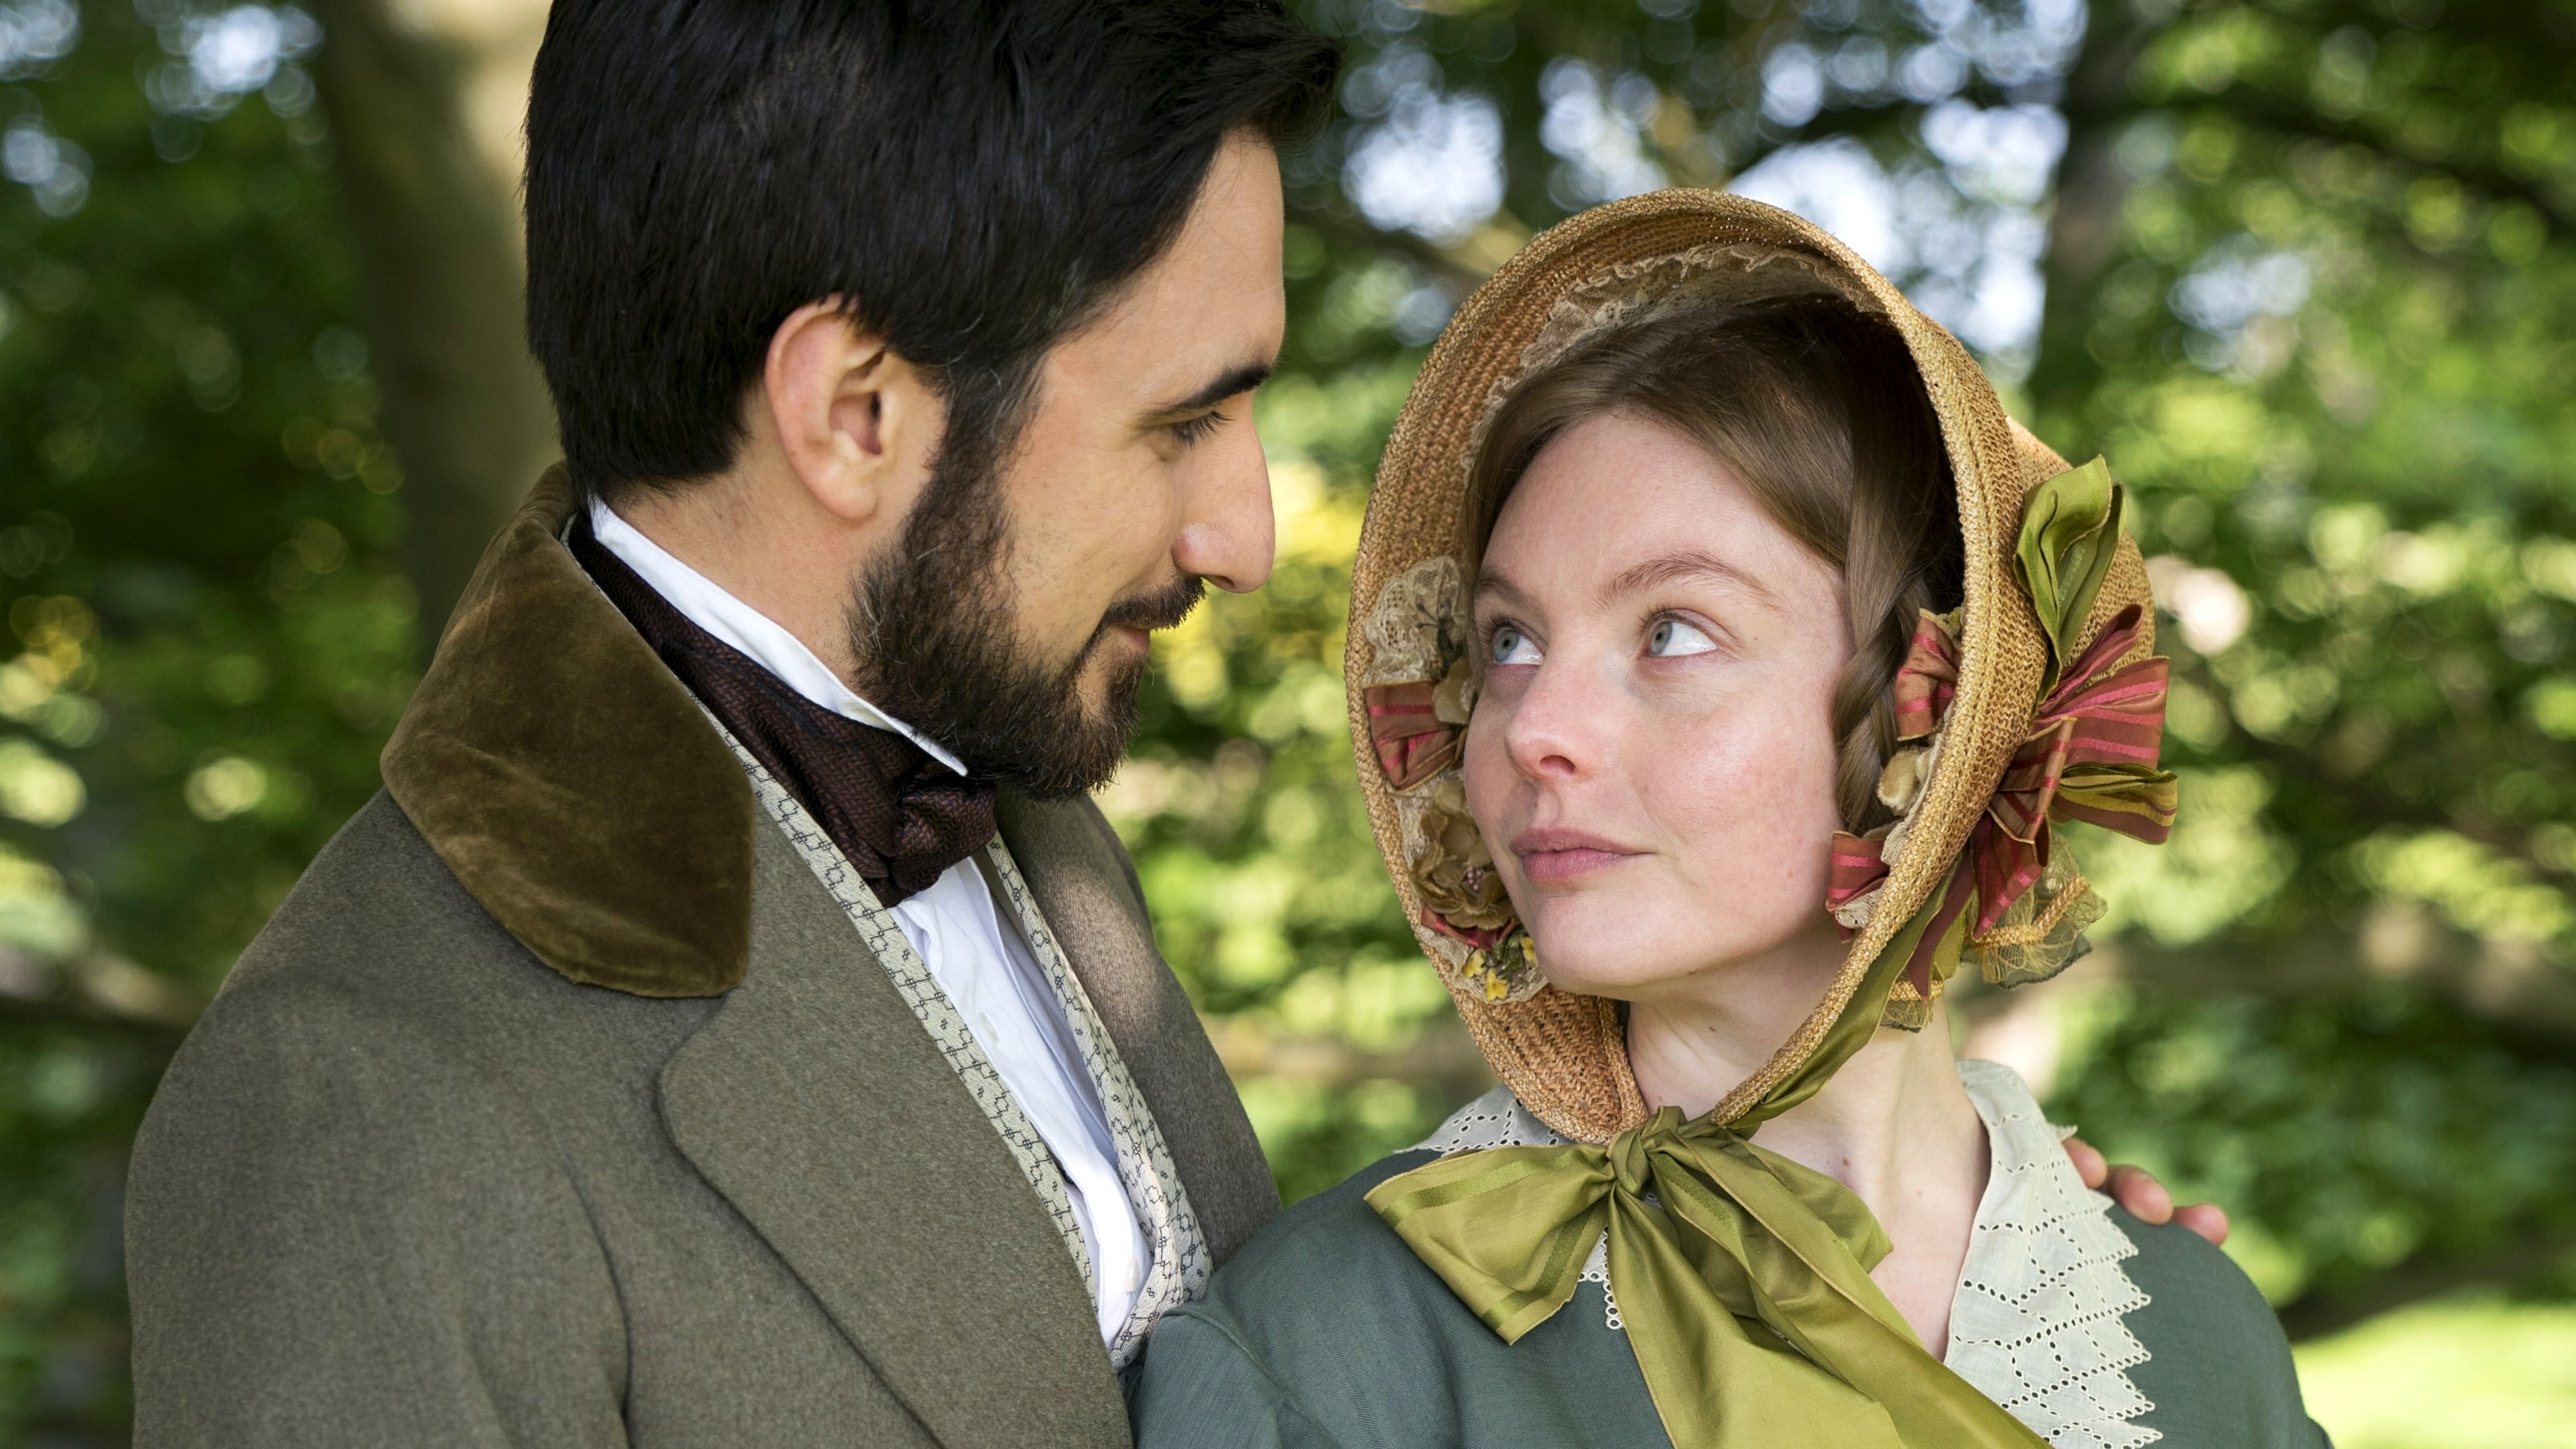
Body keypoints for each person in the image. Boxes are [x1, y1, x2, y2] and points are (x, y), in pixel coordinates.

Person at [125, 6, 2208, 1444]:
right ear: (855, 411)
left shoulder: (1009, 793)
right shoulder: (357, 1117)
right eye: (1185, 418)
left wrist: (1960, 1268)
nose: (1251, 533)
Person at [1130, 192, 2325, 1447]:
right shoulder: (1333, 1351)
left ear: (1938, 708)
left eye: (1671, 631)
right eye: (1510, 641)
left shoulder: (2196, 1339)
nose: (1533, 728)